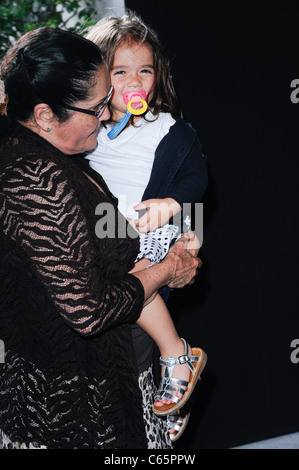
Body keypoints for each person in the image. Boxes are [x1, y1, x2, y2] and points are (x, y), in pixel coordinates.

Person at [0, 27, 201, 449]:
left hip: (117, 375)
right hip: (78, 405)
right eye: (97, 107)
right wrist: (165, 270)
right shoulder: (35, 176)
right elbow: (88, 311)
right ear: (43, 115)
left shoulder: (61, 152)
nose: (110, 116)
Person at [85, 11, 208, 443]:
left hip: (150, 229)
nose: (134, 81)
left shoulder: (166, 127)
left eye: (145, 71)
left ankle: (176, 356)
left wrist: (172, 204)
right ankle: (170, 380)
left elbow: (197, 175)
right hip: (108, 232)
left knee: (134, 280)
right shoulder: (90, 128)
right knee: (120, 285)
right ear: (97, 75)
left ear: (159, 77)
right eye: (120, 71)